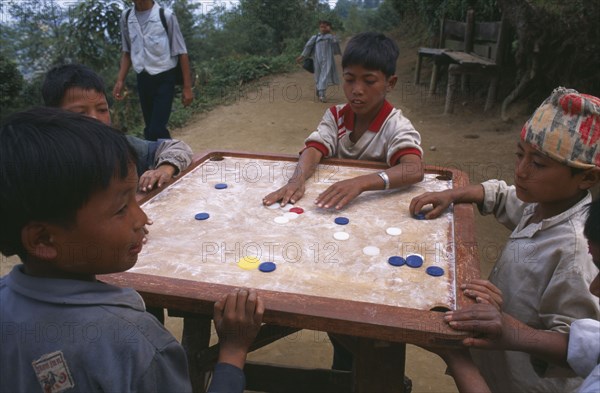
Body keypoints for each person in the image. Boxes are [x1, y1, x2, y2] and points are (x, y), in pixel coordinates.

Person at [0, 107, 264, 393]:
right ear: (43, 240)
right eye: (121, 208)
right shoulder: (138, 344)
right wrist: (233, 353)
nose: (142, 219)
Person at [410, 87, 600, 392]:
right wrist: (453, 194)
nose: (521, 171)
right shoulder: (541, 202)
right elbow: (500, 195)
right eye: (519, 154)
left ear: (587, 178)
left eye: (537, 164)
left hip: (524, 381)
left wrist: (509, 326)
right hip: (493, 367)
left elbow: (576, 347)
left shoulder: (577, 251)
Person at [436, 197, 600, 393]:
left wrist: (458, 358)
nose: (594, 288)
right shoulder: (543, 206)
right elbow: (588, 346)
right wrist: (513, 330)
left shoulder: (574, 250)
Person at [264, 32, 424, 211]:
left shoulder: (396, 125)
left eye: (369, 81)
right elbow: (315, 149)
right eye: (349, 80)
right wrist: (296, 180)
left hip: (376, 209)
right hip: (334, 208)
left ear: (390, 83)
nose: (357, 90)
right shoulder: (335, 115)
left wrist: (360, 183)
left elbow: (413, 169)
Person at [42, 63, 193, 193]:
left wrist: (164, 169)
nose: (95, 120)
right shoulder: (52, 169)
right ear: (54, 119)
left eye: (102, 110)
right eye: (80, 114)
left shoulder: (122, 146)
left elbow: (177, 147)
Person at [113, 0, 193, 141]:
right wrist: (120, 80)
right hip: (143, 78)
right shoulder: (126, 17)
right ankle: (159, 160)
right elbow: (127, 52)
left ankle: (171, 157)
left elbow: (182, 52)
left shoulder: (165, 16)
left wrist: (187, 88)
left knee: (156, 128)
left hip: (165, 77)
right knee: (149, 127)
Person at [296, 20, 341, 103]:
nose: (323, 29)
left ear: (329, 27)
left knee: (324, 76)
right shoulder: (316, 37)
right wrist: (301, 57)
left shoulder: (330, 37)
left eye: (325, 27)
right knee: (318, 76)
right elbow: (308, 47)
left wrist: (331, 32)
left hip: (327, 60)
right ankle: (319, 89)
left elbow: (336, 41)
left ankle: (322, 94)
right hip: (317, 60)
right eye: (321, 27)